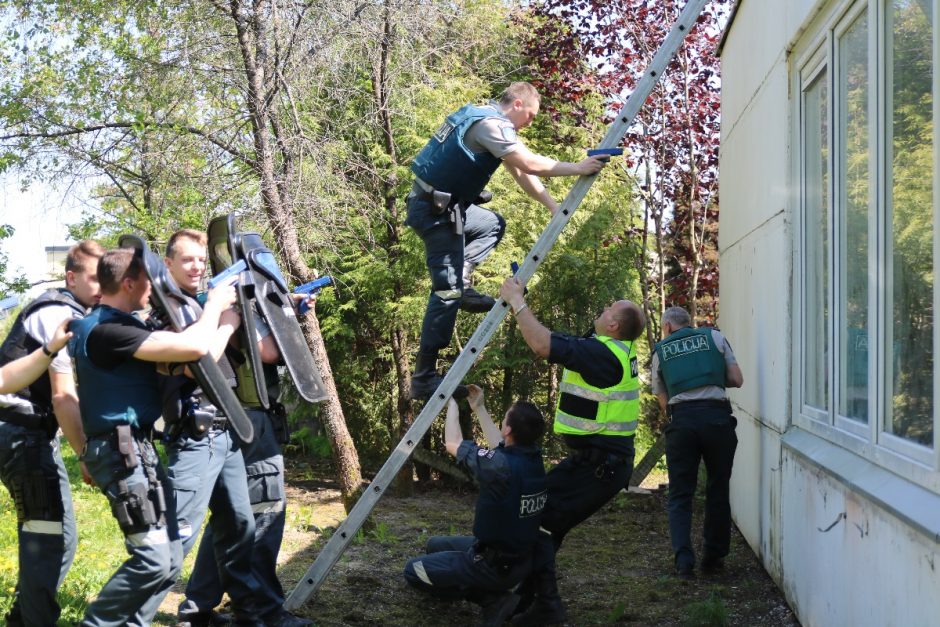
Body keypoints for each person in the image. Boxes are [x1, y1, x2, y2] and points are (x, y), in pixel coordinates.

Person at [406, 81, 609, 399]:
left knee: (490, 224)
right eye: (530, 115)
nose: (530, 122)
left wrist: (553, 206)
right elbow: (530, 163)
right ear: (516, 104)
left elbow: (521, 173)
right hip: (435, 212)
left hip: (447, 207)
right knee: (446, 293)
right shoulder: (490, 124)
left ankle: (463, 280)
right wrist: (578, 168)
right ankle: (423, 378)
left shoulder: (486, 120)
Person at [69, 247, 238, 626]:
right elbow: (195, 347)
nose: (154, 288)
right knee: (154, 559)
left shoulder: (114, 325)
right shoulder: (109, 330)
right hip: (121, 452)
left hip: (135, 449)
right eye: (148, 281)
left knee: (171, 556)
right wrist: (214, 307)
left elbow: (185, 360)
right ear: (129, 283)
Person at [175, 230, 313, 627]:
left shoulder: (212, 301)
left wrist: (289, 309)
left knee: (230, 522)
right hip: (250, 420)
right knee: (264, 516)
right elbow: (269, 351)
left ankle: (196, 609)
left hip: (236, 419)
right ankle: (263, 612)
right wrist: (287, 319)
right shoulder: (238, 302)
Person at [499, 276, 646, 625]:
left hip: (599, 467)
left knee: (539, 522)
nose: (604, 307)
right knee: (544, 523)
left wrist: (517, 303)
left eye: (609, 308)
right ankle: (526, 600)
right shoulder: (608, 350)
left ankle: (545, 608)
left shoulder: (603, 355)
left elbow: (542, 345)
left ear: (613, 324)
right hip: (596, 463)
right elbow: (560, 342)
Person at [160, 229, 265, 626]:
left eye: (201, 260)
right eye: (187, 259)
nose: (197, 266)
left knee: (238, 525)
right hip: (193, 435)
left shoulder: (195, 304)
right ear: (168, 263)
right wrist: (222, 321)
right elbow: (193, 364)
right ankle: (132, 613)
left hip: (226, 431)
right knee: (179, 535)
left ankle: (227, 612)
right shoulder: (163, 309)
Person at [0, 239, 102, 626]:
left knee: (62, 539)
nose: (100, 286)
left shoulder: (80, 311)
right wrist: (86, 454)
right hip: (20, 433)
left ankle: (24, 618)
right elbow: (63, 396)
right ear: (71, 277)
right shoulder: (57, 313)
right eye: (93, 278)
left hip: (34, 435)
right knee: (44, 539)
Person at [403, 385, 547, 626]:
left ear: (508, 429)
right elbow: (498, 447)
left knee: (413, 570)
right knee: (434, 545)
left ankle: (491, 598)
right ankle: (485, 584)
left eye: (504, 418)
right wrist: (478, 407)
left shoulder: (501, 467)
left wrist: (450, 402)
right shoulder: (531, 459)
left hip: (494, 566)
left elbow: (452, 443)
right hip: (517, 557)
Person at [652, 306, 743, 580]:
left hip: (683, 424)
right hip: (717, 419)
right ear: (688, 323)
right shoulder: (715, 338)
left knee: (680, 494)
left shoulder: (660, 352)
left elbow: (663, 400)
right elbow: (737, 379)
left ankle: (683, 563)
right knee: (718, 487)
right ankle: (713, 560)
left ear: (667, 327)